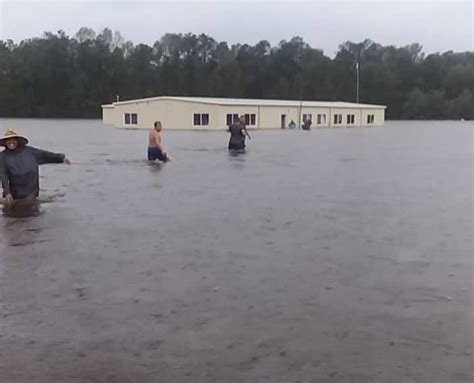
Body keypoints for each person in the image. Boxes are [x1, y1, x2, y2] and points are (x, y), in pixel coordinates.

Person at [0, 128, 71, 204]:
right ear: (5, 142)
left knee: (31, 208)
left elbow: (45, 155)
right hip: (15, 192)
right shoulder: (2, 156)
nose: (11, 142)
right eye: (8, 140)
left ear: (17, 141)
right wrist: (7, 192)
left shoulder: (30, 151)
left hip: (31, 191)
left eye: (13, 139)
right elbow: (3, 175)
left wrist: (61, 158)